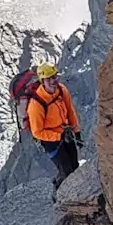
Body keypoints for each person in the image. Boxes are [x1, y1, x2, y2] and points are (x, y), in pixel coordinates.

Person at [27, 62, 82, 194]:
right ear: (42, 81)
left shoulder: (62, 90)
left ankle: (74, 194)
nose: (54, 81)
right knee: (66, 170)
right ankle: (58, 189)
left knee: (74, 166)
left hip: (66, 133)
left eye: (55, 76)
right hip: (51, 141)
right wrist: (58, 136)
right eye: (50, 78)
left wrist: (77, 131)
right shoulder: (36, 104)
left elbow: (70, 111)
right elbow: (37, 132)